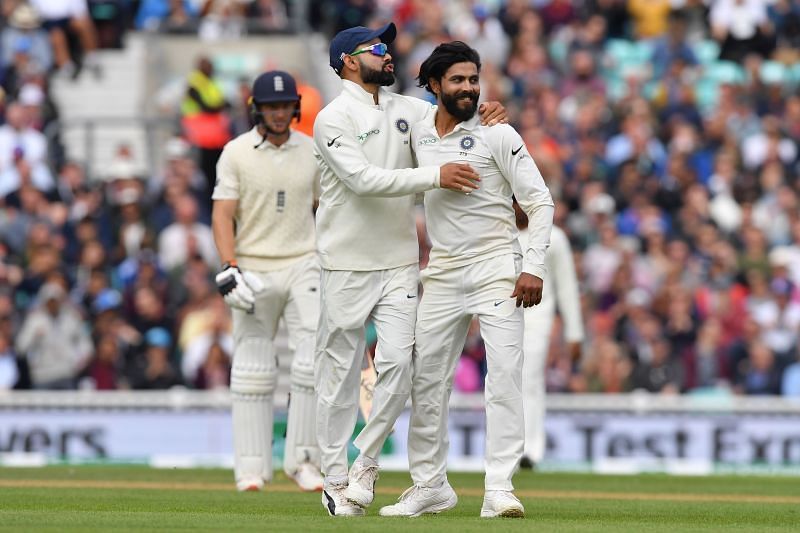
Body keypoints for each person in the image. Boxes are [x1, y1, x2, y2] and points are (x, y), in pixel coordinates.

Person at [313, 23, 507, 516]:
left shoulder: (406, 109)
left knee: (399, 364)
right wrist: (434, 175)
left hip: (399, 263)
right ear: (349, 61)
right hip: (343, 263)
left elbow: (452, 117)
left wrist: (484, 114)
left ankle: (366, 464)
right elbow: (362, 180)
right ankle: (333, 479)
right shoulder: (331, 118)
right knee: (338, 378)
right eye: (377, 48)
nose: (388, 52)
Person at [379, 41, 554, 519]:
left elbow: (540, 203)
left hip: (497, 265)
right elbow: (380, 109)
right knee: (427, 380)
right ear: (434, 85)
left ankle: (500, 488)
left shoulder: (499, 132)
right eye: (457, 80)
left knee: (504, 377)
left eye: (474, 79)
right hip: (443, 269)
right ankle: (429, 485)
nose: (469, 88)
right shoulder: (416, 127)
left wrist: (532, 266)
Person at [212, 70, 324, 492]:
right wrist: (229, 265)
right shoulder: (235, 152)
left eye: (284, 106)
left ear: (295, 107)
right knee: (253, 370)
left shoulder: (312, 150)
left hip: (303, 261)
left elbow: (325, 208)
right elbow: (223, 214)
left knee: (314, 361)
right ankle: (253, 468)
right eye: (271, 106)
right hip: (253, 266)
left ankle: (305, 462)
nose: (279, 113)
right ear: (257, 109)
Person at [516, 208, 584, 469]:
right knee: (502, 379)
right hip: (501, 315)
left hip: (538, 317)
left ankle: (531, 449)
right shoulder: (499, 232)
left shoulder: (553, 237)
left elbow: (567, 287)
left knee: (530, 378)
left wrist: (574, 333)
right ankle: (505, 446)